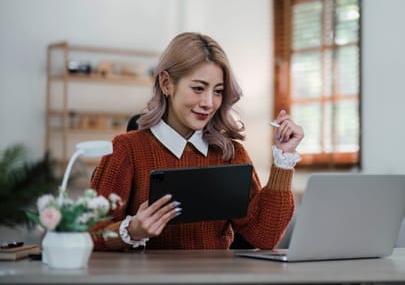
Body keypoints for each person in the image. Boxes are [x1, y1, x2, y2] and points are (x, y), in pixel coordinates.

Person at [89, 32, 304, 250]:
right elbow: (89, 232)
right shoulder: (126, 149)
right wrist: (133, 230)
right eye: (198, 88)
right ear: (166, 83)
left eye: (218, 91)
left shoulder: (230, 153)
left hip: (216, 279)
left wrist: (284, 159)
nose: (209, 103)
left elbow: (265, 237)